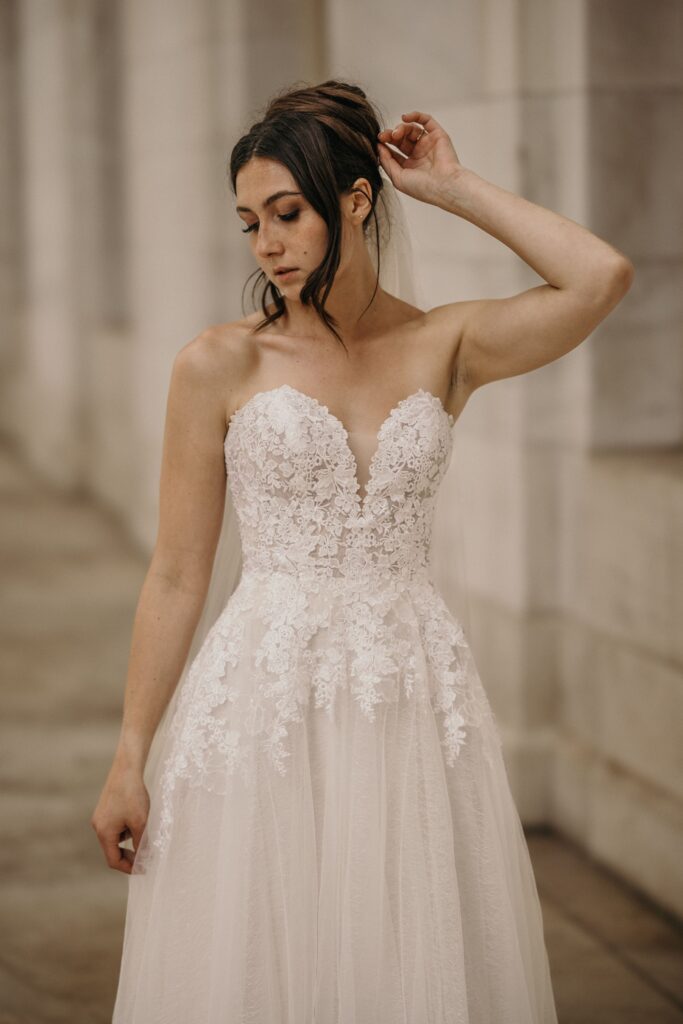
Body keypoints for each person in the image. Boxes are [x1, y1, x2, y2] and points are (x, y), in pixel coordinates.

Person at [92, 79, 634, 1023]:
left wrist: (454, 187)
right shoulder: (220, 363)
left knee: (408, 959)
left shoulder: (445, 344)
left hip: (408, 695)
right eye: (249, 221)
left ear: (355, 198)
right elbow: (178, 572)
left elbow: (600, 277)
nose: (266, 244)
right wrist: (130, 753)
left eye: (288, 213)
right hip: (262, 699)